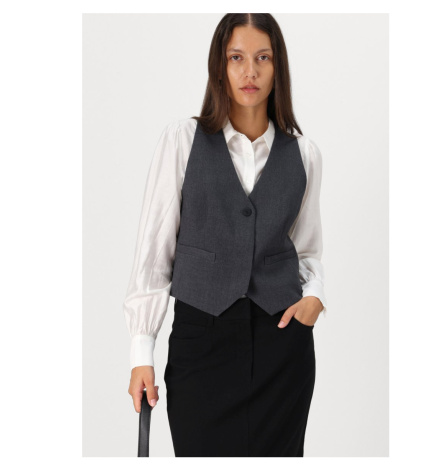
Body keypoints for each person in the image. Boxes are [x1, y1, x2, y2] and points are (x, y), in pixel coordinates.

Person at [123, 13, 327, 457]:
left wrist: (314, 296)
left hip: (282, 351)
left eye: (262, 58)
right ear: (220, 65)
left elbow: (307, 249)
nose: (250, 71)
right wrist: (142, 352)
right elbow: (154, 254)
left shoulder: (305, 154)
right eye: (237, 58)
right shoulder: (182, 141)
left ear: (278, 67)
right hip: (201, 346)